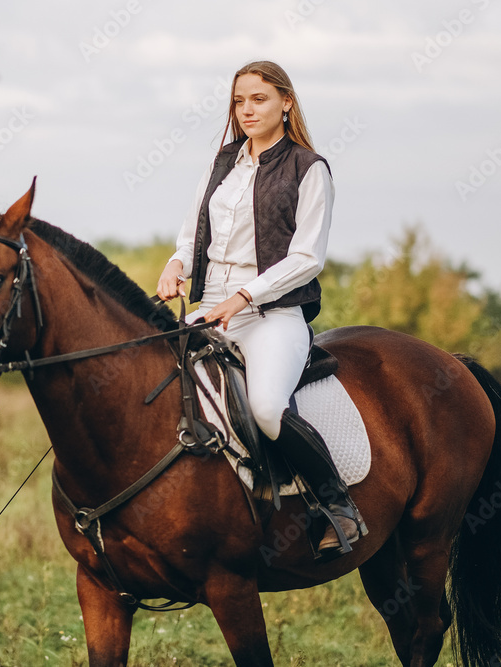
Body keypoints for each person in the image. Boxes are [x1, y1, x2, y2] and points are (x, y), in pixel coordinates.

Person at [156, 60, 364, 559]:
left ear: (286, 103)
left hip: (271, 315)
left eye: (259, 99)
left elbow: (308, 258)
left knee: (268, 408)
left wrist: (245, 297)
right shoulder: (222, 162)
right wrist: (176, 262)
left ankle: (337, 507)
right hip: (209, 309)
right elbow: (193, 233)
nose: (246, 110)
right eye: (239, 101)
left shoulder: (309, 168)